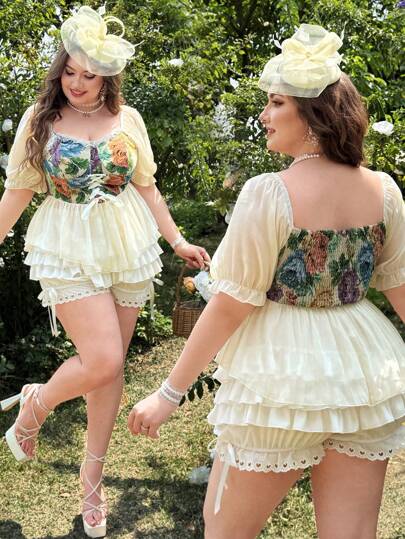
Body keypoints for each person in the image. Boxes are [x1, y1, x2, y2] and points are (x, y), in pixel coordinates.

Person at [128, 23, 405, 539]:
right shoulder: (384, 190)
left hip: (280, 374)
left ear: (314, 114)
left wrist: (168, 393)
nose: (263, 114)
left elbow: (232, 303)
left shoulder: (270, 192)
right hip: (365, 372)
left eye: (276, 103)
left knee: (225, 530)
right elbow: (399, 285)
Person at [0, 6, 209, 538]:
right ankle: (36, 404)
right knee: (104, 358)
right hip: (66, 246)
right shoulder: (40, 120)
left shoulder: (128, 119)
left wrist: (178, 241)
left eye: (89, 75)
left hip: (127, 245)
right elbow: (17, 193)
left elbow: (148, 188)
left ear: (107, 78)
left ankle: (91, 480)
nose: (76, 83)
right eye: (69, 72)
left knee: (109, 371)